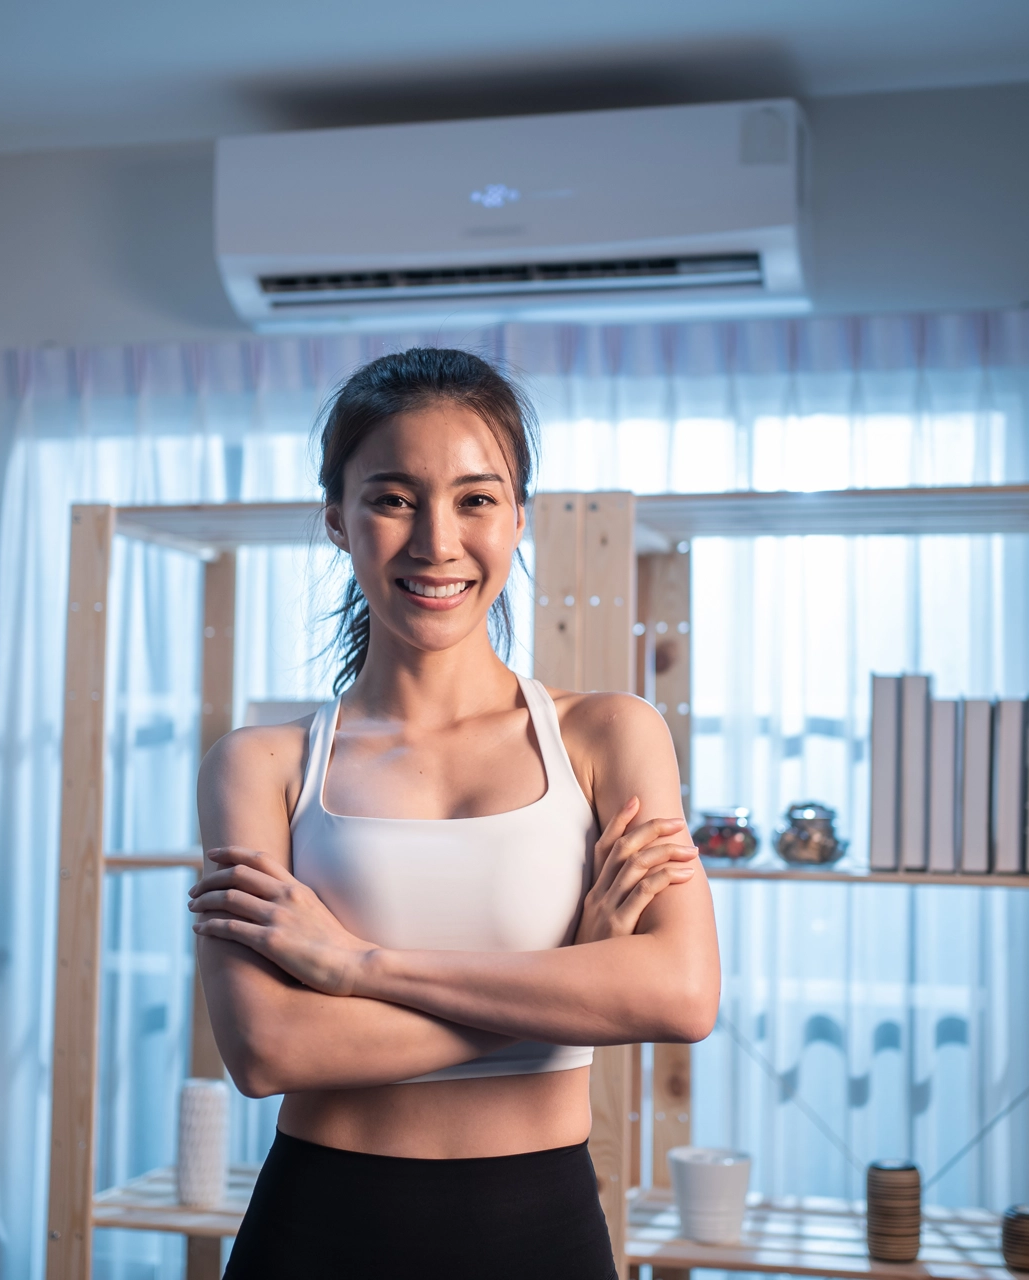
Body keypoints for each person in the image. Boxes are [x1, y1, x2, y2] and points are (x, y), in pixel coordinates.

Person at [187, 348, 720, 1279]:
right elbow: (269, 1049)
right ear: (337, 522)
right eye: (392, 498)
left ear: (518, 519)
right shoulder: (260, 766)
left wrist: (359, 967)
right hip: (317, 1230)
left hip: (541, 1231)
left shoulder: (608, 736)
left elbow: (679, 995)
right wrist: (574, 985)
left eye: (475, 499)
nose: (437, 541)